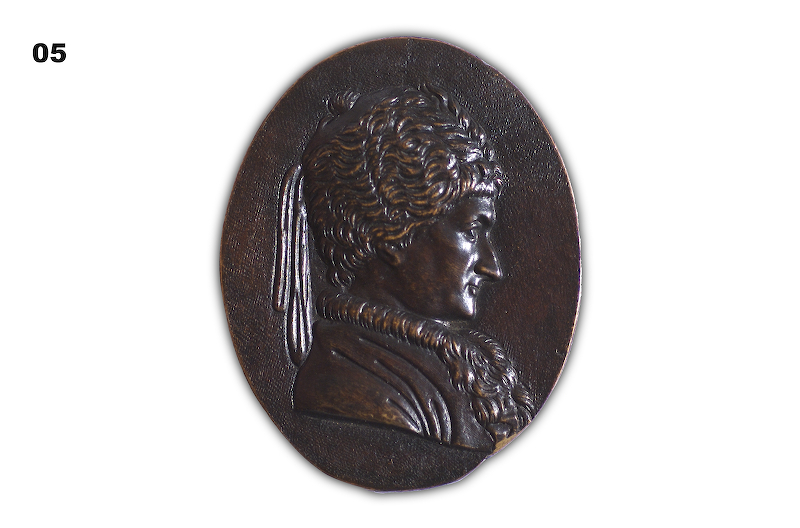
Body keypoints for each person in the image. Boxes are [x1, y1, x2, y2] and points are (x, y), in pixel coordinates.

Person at [274, 85, 534, 452]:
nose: (492, 267)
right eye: (472, 231)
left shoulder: (468, 359)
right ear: (394, 229)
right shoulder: (353, 384)